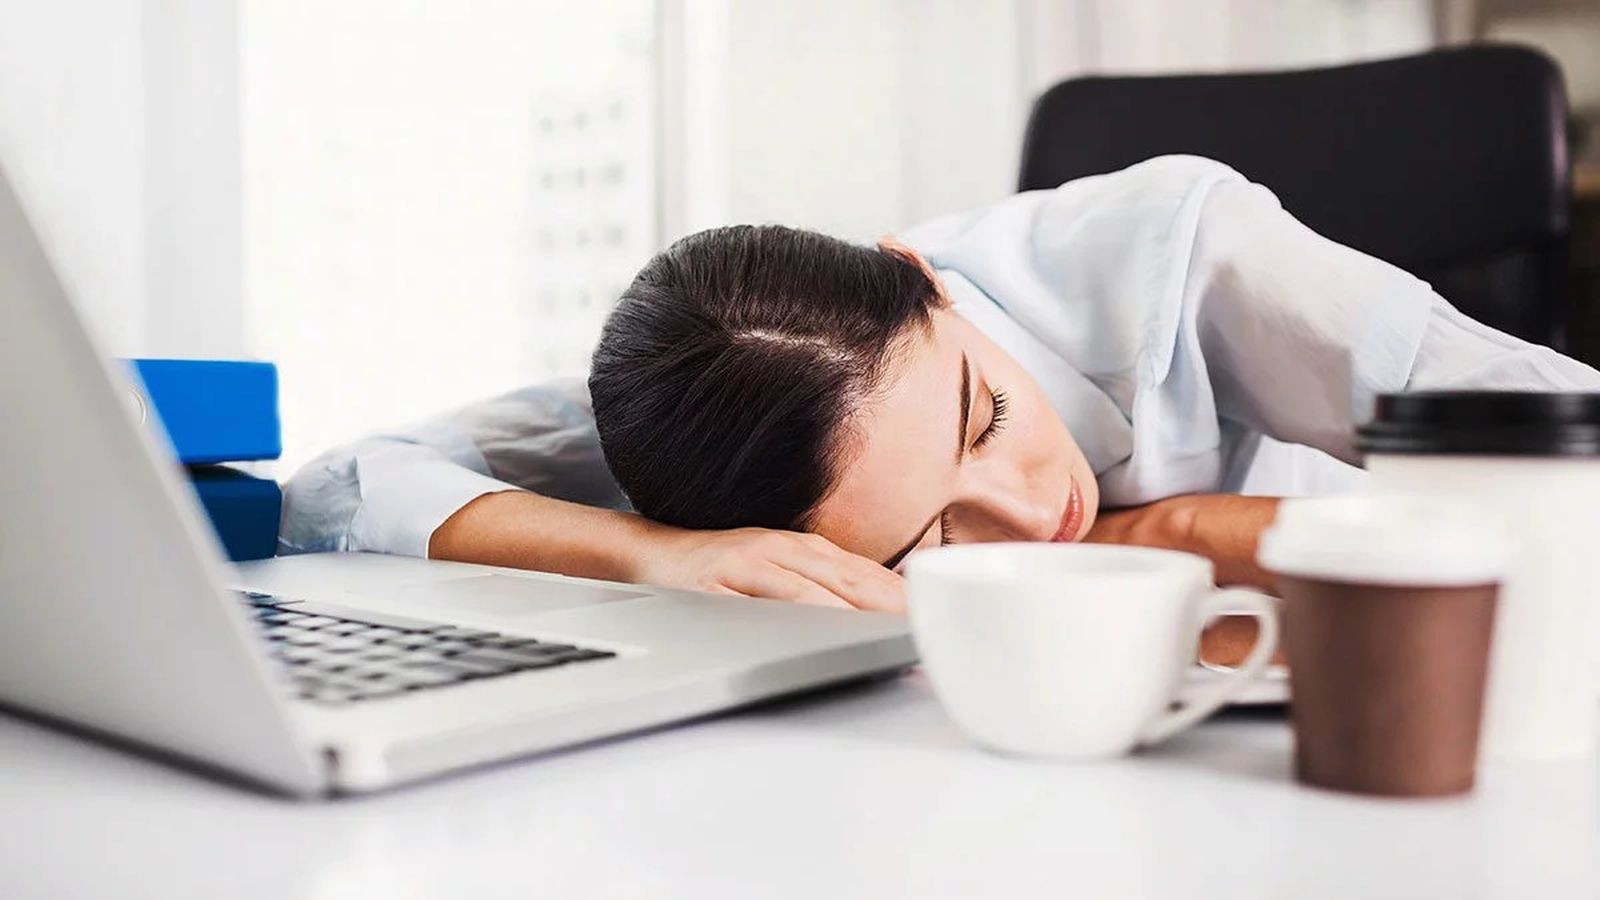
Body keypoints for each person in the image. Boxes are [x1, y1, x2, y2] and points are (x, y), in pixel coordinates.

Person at [280, 156, 1600, 633]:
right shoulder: (720, 406)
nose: (1031, 516)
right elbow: (343, 478)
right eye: (927, 542)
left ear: (927, 280)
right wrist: (648, 552)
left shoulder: (1190, 254)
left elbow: (1570, 455)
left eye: (984, 419)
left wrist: (1191, 532)